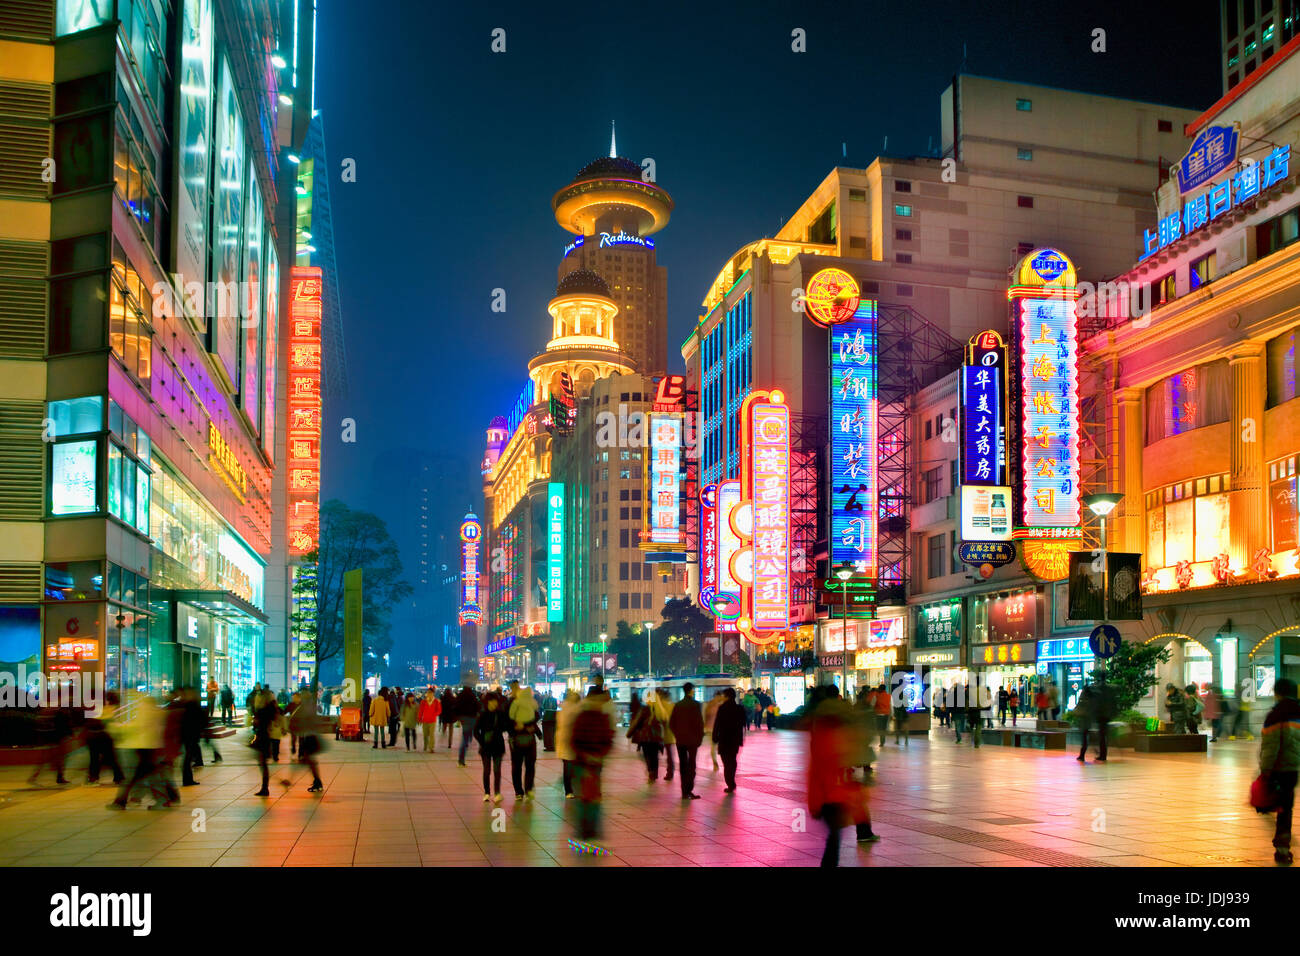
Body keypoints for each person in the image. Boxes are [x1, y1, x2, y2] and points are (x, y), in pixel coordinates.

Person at [808, 685, 880, 867]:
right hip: (840, 788)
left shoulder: (820, 723)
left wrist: (814, 802)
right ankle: (863, 831)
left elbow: (816, 770)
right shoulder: (846, 717)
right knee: (834, 836)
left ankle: (862, 832)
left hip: (830, 790)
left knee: (834, 836)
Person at [1259, 677, 1300, 865]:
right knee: (1287, 806)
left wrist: (1265, 771)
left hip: (1279, 768)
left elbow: (1270, 747)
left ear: (1277, 693)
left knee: (1282, 807)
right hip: (1293, 768)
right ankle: (1283, 845)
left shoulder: (1275, 715)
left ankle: (1282, 847)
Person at [570, 686, 616, 847]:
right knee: (586, 798)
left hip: (596, 763)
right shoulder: (582, 716)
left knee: (594, 798)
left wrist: (600, 754)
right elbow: (574, 740)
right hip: (583, 763)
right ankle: (584, 834)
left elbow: (609, 739)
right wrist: (587, 756)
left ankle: (592, 834)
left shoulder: (602, 717)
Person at [669, 683, 704, 800]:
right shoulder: (696, 705)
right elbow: (699, 723)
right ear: (691, 691)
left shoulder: (678, 705)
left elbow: (671, 723)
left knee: (683, 765)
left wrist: (677, 735)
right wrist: (699, 738)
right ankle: (689, 790)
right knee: (691, 765)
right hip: (693, 740)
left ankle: (684, 791)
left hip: (681, 740)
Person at [473, 692, 510, 803]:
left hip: (498, 745)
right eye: (492, 701)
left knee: (497, 770)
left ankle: (497, 792)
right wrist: (482, 741)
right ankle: (487, 792)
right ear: (488, 702)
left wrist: (501, 726)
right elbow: (475, 731)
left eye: (495, 701)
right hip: (486, 747)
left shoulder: (500, 713)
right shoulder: (482, 714)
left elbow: (505, 727)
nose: (494, 703)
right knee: (487, 770)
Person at [507, 685, 540, 799]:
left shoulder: (529, 703)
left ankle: (526, 789)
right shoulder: (512, 702)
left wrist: (525, 726)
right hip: (517, 738)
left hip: (528, 738)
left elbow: (536, 717)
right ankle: (520, 791)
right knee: (519, 765)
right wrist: (516, 726)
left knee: (528, 765)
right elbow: (508, 719)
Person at [86, 690, 125, 785]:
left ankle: (94, 777)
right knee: (110, 758)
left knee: (95, 758)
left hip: (95, 736)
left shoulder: (100, 708)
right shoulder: (112, 709)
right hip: (104, 736)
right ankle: (118, 777)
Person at [28, 705, 73, 787]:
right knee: (57, 757)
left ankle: (36, 776)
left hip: (48, 737)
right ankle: (36, 777)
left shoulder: (44, 712)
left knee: (49, 758)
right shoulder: (57, 711)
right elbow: (62, 725)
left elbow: (39, 726)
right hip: (55, 738)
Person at [1077, 673, 1116, 763]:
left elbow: (1095, 702)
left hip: (1100, 715)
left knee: (1100, 736)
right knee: (1102, 736)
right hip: (1105, 715)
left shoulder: (1097, 690)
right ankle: (1102, 754)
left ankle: (1100, 755)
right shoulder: (1109, 689)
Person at [713, 687, 746, 793]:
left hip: (724, 739)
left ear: (726, 696)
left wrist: (715, 736)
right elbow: (743, 723)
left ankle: (730, 783)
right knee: (732, 760)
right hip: (735, 739)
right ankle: (731, 781)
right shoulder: (739, 708)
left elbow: (717, 724)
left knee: (726, 762)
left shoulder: (722, 708)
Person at [291, 688, 324, 792]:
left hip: (309, 736)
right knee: (309, 760)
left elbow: (300, 719)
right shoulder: (309, 705)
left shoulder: (306, 707)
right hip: (310, 736)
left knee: (308, 759)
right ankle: (317, 781)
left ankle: (317, 781)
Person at [627, 690, 665, 781]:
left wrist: (629, 733)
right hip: (656, 738)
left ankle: (651, 772)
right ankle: (654, 773)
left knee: (647, 756)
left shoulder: (644, 709)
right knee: (654, 756)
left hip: (645, 737)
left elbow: (637, 722)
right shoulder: (660, 710)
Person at [251, 688, 278, 796]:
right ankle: (264, 787)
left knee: (263, 763)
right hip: (265, 737)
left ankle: (265, 788)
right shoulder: (270, 709)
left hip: (262, 738)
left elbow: (257, 723)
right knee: (263, 764)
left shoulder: (263, 711)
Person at [179, 686, 207, 787]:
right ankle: (187, 780)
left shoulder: (187, 705)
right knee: (187, 758)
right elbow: (200, 720)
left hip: (189, 735)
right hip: (190, 735)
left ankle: (188, 779)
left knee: (188, 758)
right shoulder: (191, 705)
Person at [556, 690, 580, 798]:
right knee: (569, 765)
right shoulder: (574, 709)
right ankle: (569, 790)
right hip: (571, 740)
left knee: (568, 765)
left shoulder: (563, 709)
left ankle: (569, 790)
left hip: (565, 740)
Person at [455, 684, 479, 765]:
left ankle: (461, 759)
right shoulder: (472, 695)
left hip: (463, 718)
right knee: (469, 733)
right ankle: (468, 739)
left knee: (465, 734)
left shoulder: (461, 695)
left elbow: (456, 706)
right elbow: (477, 706)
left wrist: (458, 716)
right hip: (472, 718)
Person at [704, 691, 724, 771]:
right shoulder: (718, 705)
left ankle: (714, 761)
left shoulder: (710, 704)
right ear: (717, 696)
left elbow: (706, 715)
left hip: (712, 728)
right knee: (714, 746)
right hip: (712, 729)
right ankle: (715, 762)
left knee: (714, 746)